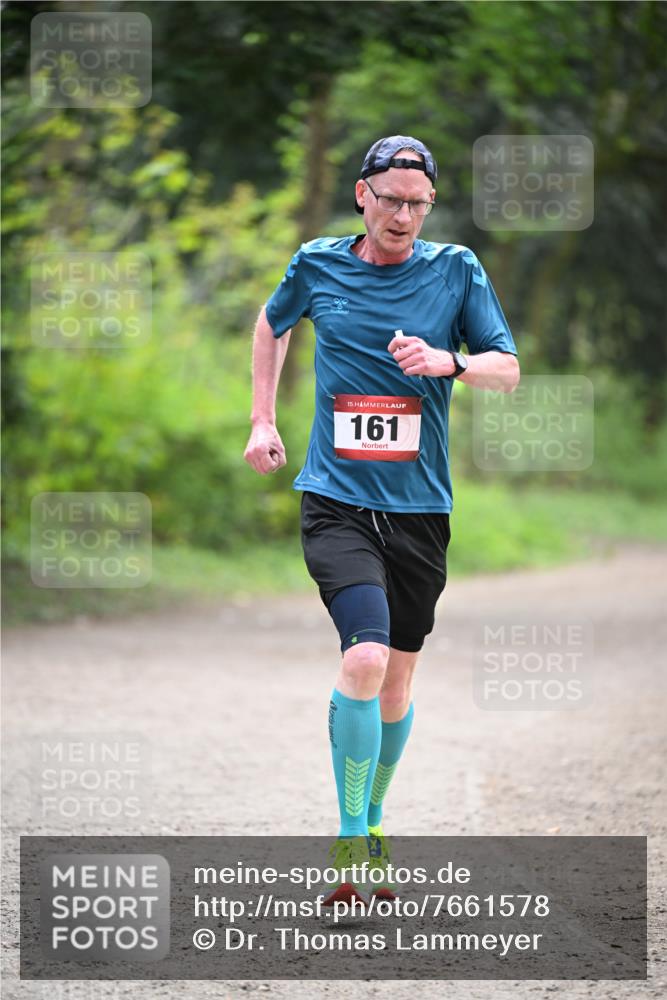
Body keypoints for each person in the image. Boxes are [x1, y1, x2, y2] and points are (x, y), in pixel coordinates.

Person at [244, 135, 519, 905]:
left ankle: (373, 821)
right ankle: (349, 846)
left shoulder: (455, 269)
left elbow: (506, 367)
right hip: (335, 501)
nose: (404, 215)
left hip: (420, 509)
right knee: (362, 661)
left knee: (395, 684)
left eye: (418, 204)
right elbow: (272, 324)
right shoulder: (318, 262)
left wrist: (449, 362)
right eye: (392, 199)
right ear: (361, 194)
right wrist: (262, 420)